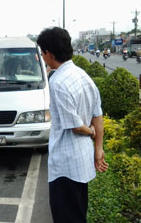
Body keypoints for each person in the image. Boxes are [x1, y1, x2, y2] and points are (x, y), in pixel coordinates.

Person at [37, 27, 108, 223]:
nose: (43, 58)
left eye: (42, 53)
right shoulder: (83, 76)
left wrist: (91, 132)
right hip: (82, 161)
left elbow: (75, 126)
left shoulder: (58, 82)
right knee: (78, 213)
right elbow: (98, 114)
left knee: (66, 217)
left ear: (49, 54)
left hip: (65, 166)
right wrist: (98, 148)